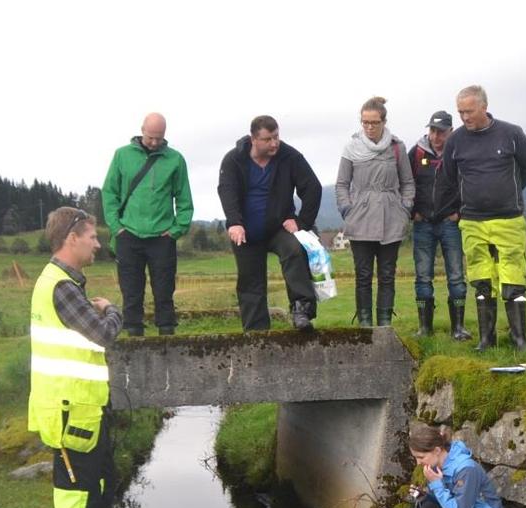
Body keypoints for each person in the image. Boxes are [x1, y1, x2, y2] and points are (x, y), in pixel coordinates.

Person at [28, 207, 126, 508]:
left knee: (101, 482)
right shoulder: (62, 288)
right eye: (92, 236)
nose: (98, 244)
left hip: (80, 406)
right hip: (72, 411)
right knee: (76, 492)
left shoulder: (63, 283)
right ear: (72, 238)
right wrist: (113, 309)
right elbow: (103, 334)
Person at [436, 85, 526, 351]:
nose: (465, 117)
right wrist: (452, 210)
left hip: (508, 219)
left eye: (469, 111)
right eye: (460, 112)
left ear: (484, 107)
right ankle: (486, 339)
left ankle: (519, 340)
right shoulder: (455, 141)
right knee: (481, 280)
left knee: (513, 278)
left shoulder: (512, 134)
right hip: (472, 221)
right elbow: (446, 178)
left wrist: (507, 193)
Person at [217, 115, 323, 331]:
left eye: (276, 137)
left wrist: (301, 222)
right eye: (268, 139)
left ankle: (301, 311)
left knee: (295, 249)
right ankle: (257, 333)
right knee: (250, 282)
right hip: (246, 230)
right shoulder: (233, 160)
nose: (274, 143)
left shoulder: (290, 157)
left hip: (278, 227)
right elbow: (227, 191)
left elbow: (312, 188)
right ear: (253, 139)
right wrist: (234, 222)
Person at [102, 112, 193, 336]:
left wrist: (175, 231)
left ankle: (167, 336)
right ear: (142, 130)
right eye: (151, 136)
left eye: (159, 138)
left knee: (164, 291)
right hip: (128, 234)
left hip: (162, 236)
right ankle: (133, 337)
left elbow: (184, 200)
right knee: (131, 291)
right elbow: (109, 193)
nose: (154, 142)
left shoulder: (175, 159)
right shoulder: (122, 155)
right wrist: (117, 228)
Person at [336, 96, 415, 327]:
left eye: (374, 122)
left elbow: (408, 182)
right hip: (360, 219)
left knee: (387, 275)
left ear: (384, 121)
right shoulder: (351, 147)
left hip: (391, 218)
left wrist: (405, 207)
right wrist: (347, 209)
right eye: (365, 122)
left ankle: (384, 326)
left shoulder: (396, 147)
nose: (369, 127)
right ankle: (365, 325)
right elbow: (342, 184)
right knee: (362, 276)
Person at [409, 110, 471, 340]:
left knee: (456, 276)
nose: (436, 136)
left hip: (450, 223)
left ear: (450, 132)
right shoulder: (416, 153)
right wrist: (412, 212)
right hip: (423, 223)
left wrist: (461, 213)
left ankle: (458, 328)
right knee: (422, 277)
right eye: (433, 130)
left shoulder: (458, 153)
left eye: (441, 132)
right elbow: (405, 183)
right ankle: (425, 328)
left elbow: (469, 183)